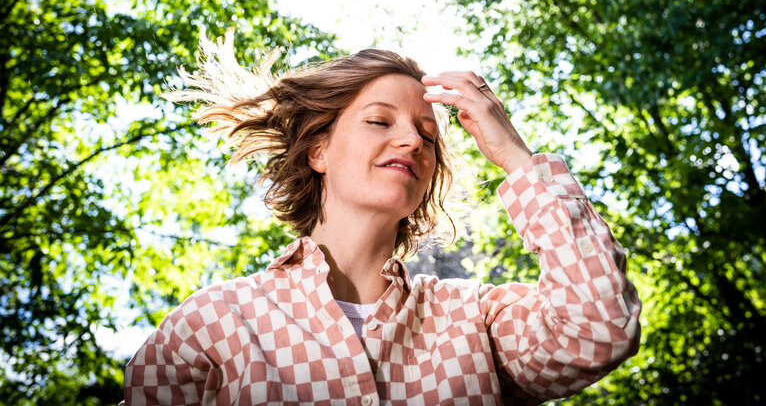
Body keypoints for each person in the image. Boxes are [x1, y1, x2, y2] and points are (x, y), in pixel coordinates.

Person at [122, 32, 642, 405]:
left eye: (429, 136)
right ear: (318, 152)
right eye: (378, 120)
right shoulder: (215, 321)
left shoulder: (476, 319)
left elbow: (599, 330)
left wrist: (515, 156)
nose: (414, 139)